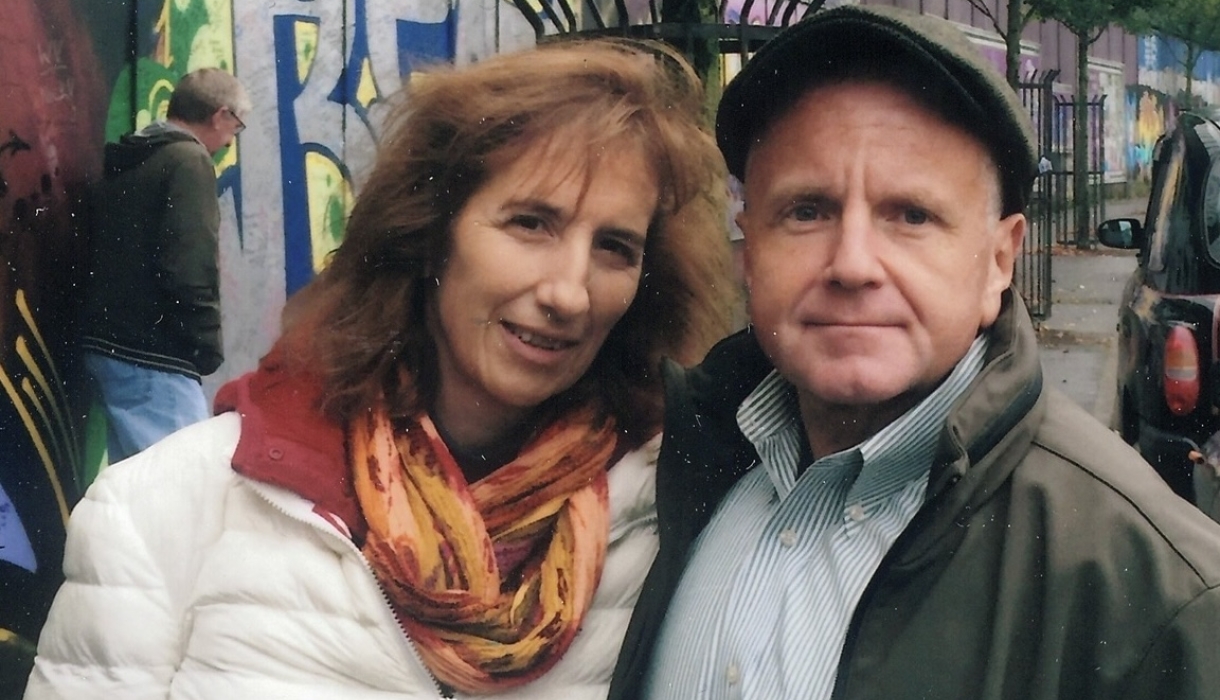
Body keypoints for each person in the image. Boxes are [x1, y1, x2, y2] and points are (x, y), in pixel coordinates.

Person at [26, 38, 733, 699]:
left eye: (615, 247)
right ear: (430, 235)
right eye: (530, 223)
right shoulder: (164, 511)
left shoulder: (674, 525)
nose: (568, 292)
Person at [608, 6, 1220, 700]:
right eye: (806, 211)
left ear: (999, 260)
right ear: (749, 249)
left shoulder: (1157, 594)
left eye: (911, 215)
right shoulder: (684, 463)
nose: (853, 264)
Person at [79, 67, 250, 464]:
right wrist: (205, 345)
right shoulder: (188, 161)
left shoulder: (134, 159)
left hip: (112, 345)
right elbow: (189, 264)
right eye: (235, 128)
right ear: (220, 115)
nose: (228, 142)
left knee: (140, 494)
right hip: (155, 357)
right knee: (184, 489)